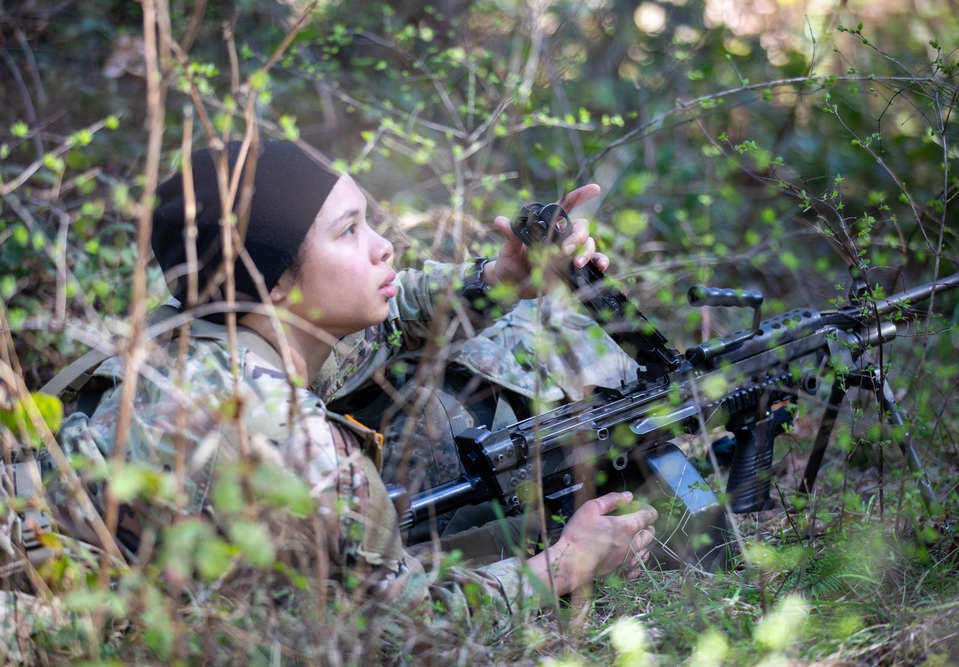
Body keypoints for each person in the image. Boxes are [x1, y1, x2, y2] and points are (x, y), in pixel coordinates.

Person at [46, 139, 658, 633]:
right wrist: (560, 568)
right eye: (349, 232)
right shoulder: (288, 438)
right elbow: (403, 635)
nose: (383, 245)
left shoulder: (199, 324)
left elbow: (391, 324)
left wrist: (499, 278)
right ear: (274, 282)